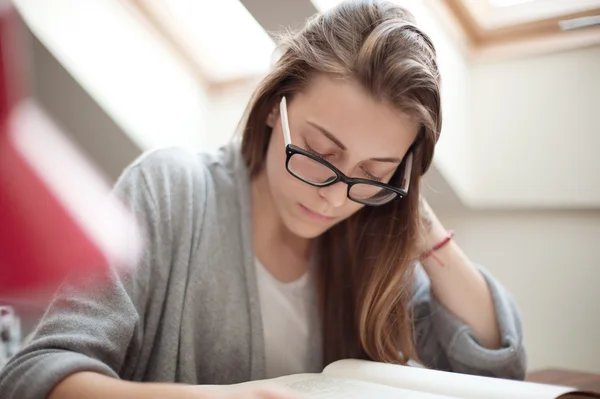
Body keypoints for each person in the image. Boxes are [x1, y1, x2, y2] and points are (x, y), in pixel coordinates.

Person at [0, 1, 526, 398]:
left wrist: (420, 226)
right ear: (277, 107)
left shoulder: (371, 225)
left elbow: (495, 369)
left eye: (372, 171)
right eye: (320, 154)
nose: (335, 196)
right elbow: (35, 375)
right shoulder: (171, 188)